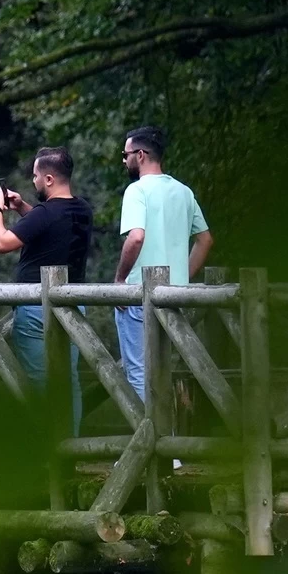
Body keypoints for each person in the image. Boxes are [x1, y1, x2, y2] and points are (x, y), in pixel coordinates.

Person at [0, 146, 94, 426]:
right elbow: (48, 225)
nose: (33, 181)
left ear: (48, 179)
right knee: (68, 380)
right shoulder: (81, 209)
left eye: (35, 176)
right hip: (73, 305)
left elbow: (1, 243)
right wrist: (22, 207)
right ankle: (69, 449)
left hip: (36, 309)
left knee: (37, 381)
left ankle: (46, 452)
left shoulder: (46, 213)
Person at [110, 127, 211, 400]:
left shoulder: (136, 191)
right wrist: (182, 278)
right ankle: (169, 437)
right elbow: (205, 240)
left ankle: (148, 435)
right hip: (174, 297)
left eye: (125, 154)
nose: (123, 160)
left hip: (137, 296)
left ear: (140, 155)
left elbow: (136, 237)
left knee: (140, 372)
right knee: (166, 370)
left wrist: (120, 280)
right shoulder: (184, 192)